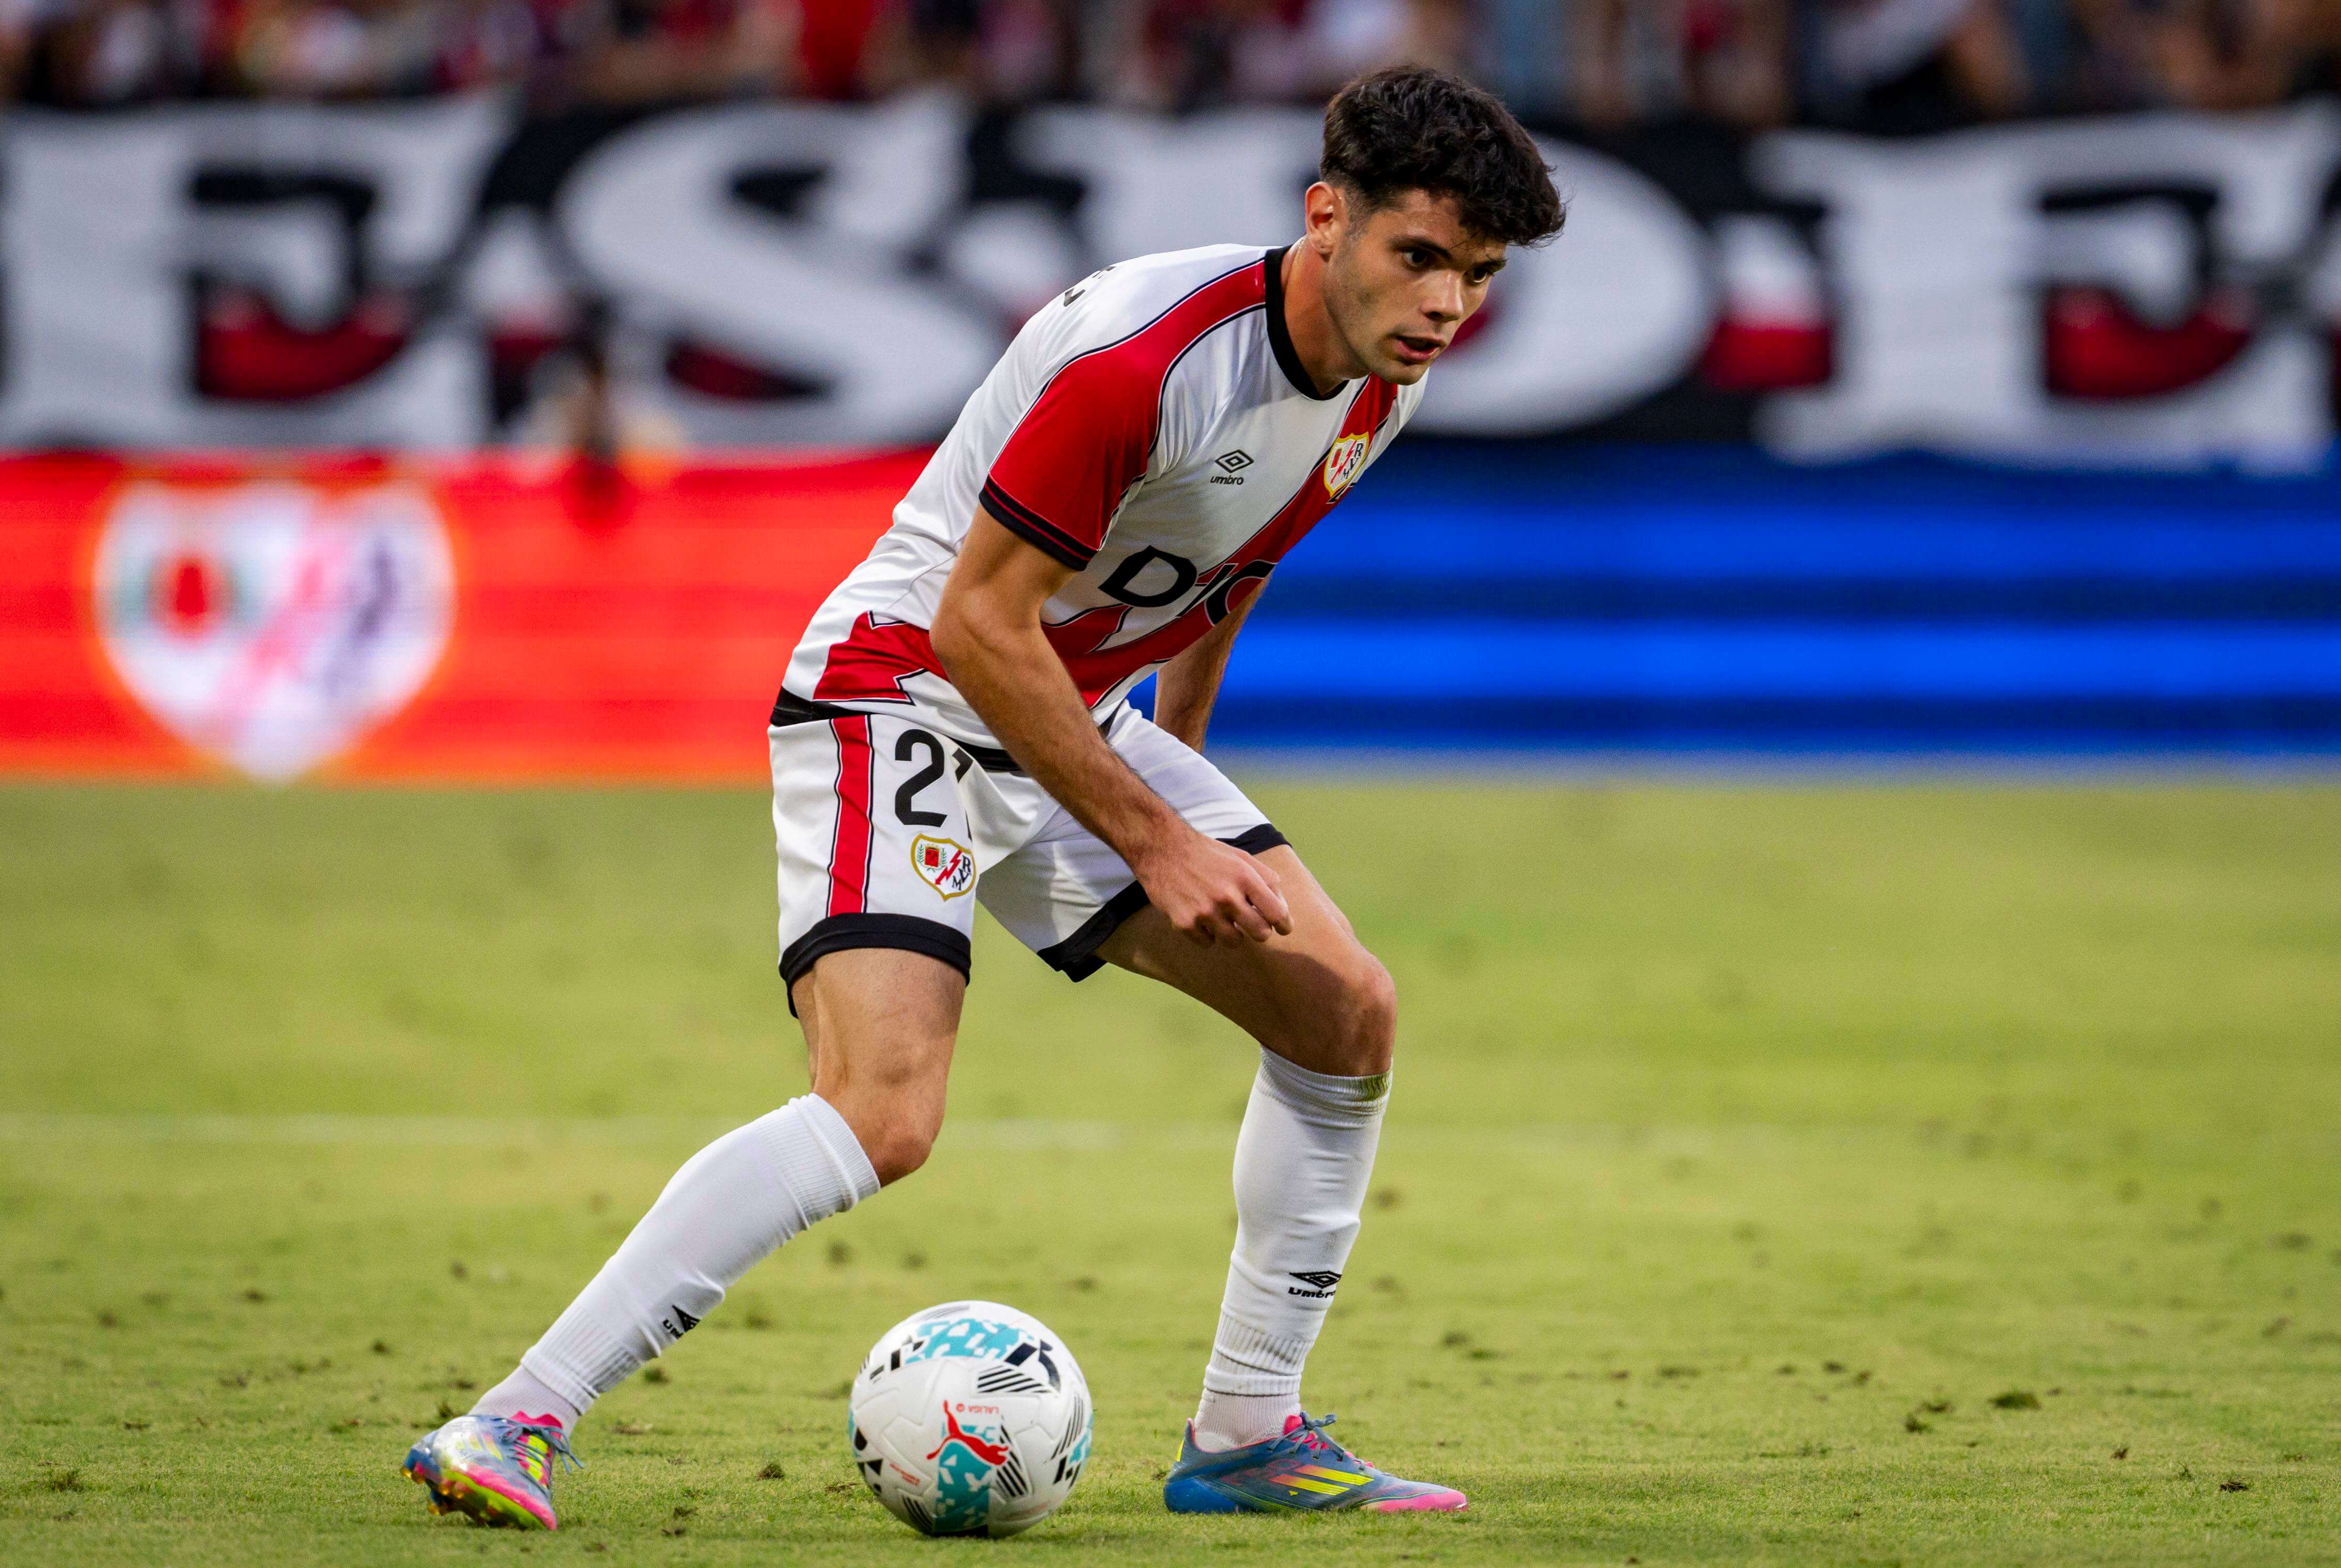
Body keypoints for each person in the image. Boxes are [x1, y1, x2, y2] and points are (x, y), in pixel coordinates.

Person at [400, 62, 1564, 1529]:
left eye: (1478, 275)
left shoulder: (1379, 383)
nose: (1448, 304)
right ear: (1326, 216)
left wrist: (1185, 778)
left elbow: (1228, 566)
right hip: (904, 692)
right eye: (1421, 255)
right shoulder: (1142, 362)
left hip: (1068, 716)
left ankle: (1246, 1435)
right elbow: (973, 624)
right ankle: (513, 1419)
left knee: (1345, 1015)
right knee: (882, 1111)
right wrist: (1156, 838)